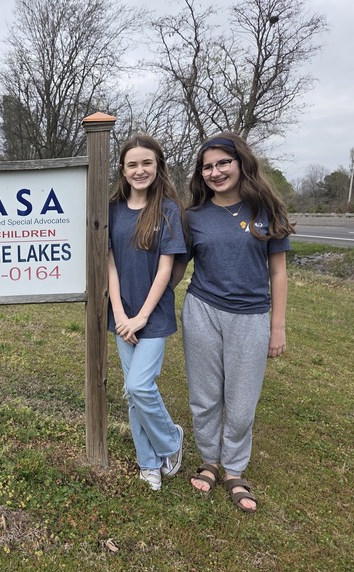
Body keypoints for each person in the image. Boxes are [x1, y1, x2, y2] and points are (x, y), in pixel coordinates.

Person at [172, 132, 294, 512]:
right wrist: (146, 299)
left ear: (241, 163)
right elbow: (177, 267)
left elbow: (278, 273)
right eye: (207, 166)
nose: (215, 172)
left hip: (252, 317)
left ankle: (235, 469)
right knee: (205, 396)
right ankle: (209, 461)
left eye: (223, 163)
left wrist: (278, 326)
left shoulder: (267, 211)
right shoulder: (193, 217)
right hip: (203, 311)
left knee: (241, 402)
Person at [107, 134, 186, 492]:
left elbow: (166, 270)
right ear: (122, 170)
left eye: (147, 163)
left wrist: (141, 317)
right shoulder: (111, 209)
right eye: (132, 164)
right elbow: (108, 263)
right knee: (134, 391)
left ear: (158, 166)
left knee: (139, 385)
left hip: (154, 316)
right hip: (121, 315)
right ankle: (148, 463)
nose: (140, 170)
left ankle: (170, 440)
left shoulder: (168, 209)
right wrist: (121, 313)